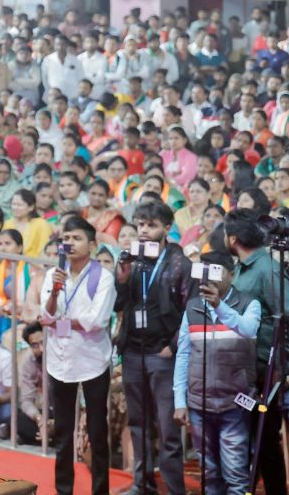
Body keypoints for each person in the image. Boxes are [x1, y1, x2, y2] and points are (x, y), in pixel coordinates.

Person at [114, 198, 191, 495]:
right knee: (138, 424)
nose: (144, 231)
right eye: (140, 225)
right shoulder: (132, 260)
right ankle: (141, 484)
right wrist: (122, 278)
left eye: (151, 225)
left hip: (163, 354)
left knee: (168, 430)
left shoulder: (179, 263)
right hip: (133, 351)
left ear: (167, 228)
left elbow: (190, 312)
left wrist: (172, 347)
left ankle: (174, 489)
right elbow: (120, 305)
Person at [172, 249, 260, 495]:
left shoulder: (248, 303)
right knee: (209, 474)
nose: (208, 277)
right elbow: (183, 355)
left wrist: (219, 306)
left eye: (216, 270)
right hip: (200, 404)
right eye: (204, 270)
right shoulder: (192, 307)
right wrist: (180, 400)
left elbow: (248, 329)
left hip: (236, 403)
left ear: (231, 274)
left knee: (236, 474)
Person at [40, 216, 115, 495]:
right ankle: (63, 490)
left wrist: (59, 322)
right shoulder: (53, 275)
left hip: (93, 360)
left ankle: (100, 490)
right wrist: (55, 293)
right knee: (62, 432)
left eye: (76, 238)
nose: (69, 243)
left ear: (92, 245)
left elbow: (96, 320)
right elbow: (45, 314)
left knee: (97, 432)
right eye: (66, 238)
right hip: (60, 360)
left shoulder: (103, 277)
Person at [225, 208, 289, 495]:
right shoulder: (242, 266)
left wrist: (283, 365)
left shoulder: (267, 269)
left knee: (266, 434)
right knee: (254, 433)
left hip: (268, 365)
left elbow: (286, 313)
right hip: (246, 364)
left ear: (232, 237)